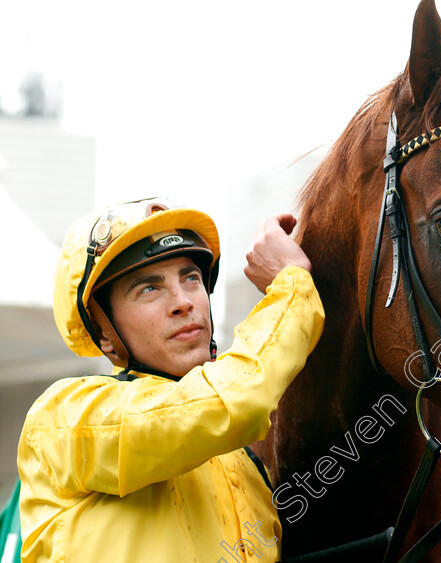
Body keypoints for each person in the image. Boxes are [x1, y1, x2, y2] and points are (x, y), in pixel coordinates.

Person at [16, 197, 325, 562]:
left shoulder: (244, 465)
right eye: (149, 288)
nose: (183, 301)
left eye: (191, 278)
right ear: (104, 333)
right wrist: (293, 286)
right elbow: (231, 401)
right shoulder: (64, 416)